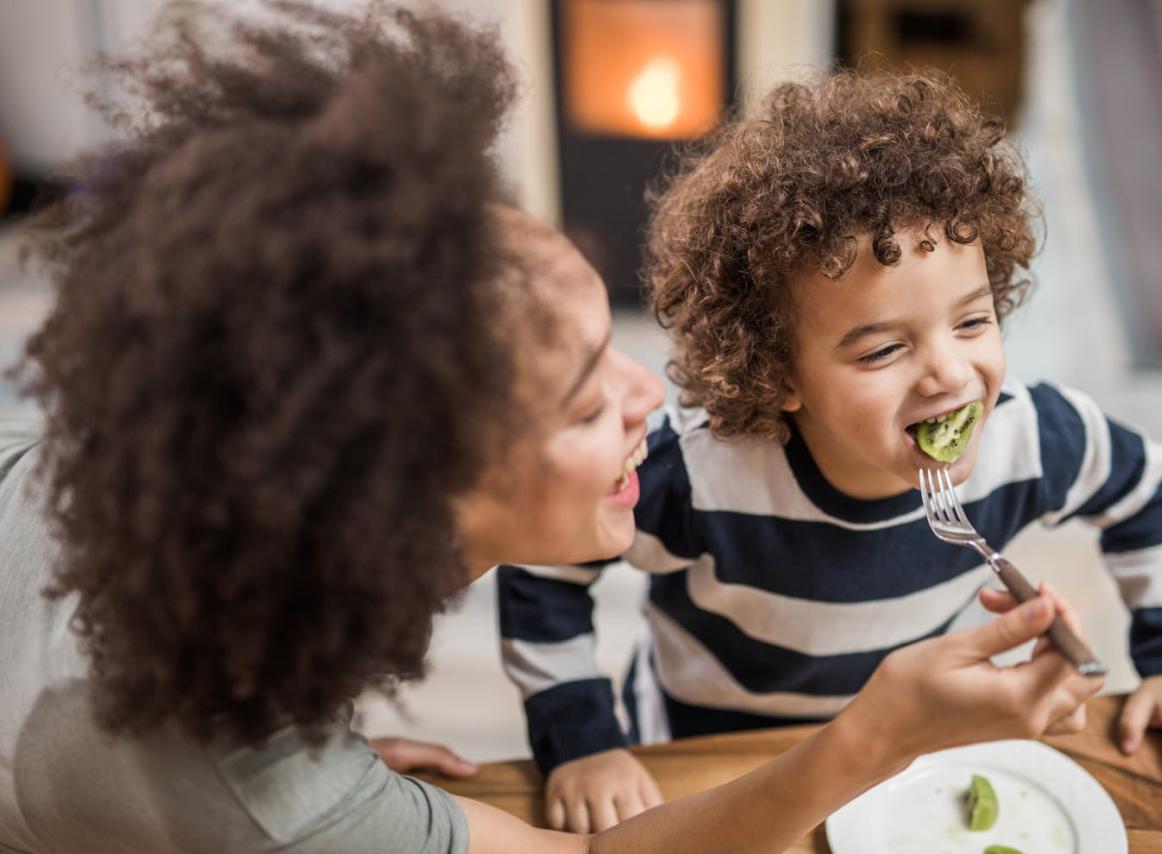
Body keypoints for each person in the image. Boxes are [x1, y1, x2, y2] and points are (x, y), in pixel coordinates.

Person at [0, 5, 1102, 852]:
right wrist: (873, 736)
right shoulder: (264, 793)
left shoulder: (185, 458)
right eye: (583, 401)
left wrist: (348, 764)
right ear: (396, 503)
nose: (647, 395)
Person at [498, 69, 1162, 831]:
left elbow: (1150, 495)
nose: (951, 373)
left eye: (973, 322)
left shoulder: (1031, 440)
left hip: (911, 758)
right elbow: (544, 565)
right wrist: (581, 738)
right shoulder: (699, 475)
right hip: (704, 757)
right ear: (780, 371)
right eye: (885, 349)